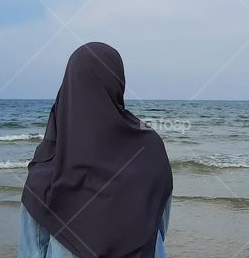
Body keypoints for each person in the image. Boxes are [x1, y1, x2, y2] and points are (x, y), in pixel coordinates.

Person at [19, 42, 174, 258]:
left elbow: (33, 252)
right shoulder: (150, 150)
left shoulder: (46, 170)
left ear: (68, 85)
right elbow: (158, 229)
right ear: (118, 83)